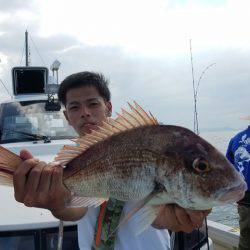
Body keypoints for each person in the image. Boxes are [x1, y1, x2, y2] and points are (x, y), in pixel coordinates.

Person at [13, 71, 210, 250]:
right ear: (67, 116)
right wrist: (56, 204)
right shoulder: (73, 160)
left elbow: (157, 212)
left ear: (108, 107)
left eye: (93, 104)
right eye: (74, 107)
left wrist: (172, 214)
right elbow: (76, 208)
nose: (85, 112)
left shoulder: (142, 142)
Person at [226, 124, 250, 250]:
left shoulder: (235, 139)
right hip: (244, 196)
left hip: (243, 197)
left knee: (245, 235)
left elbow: (227, 169)